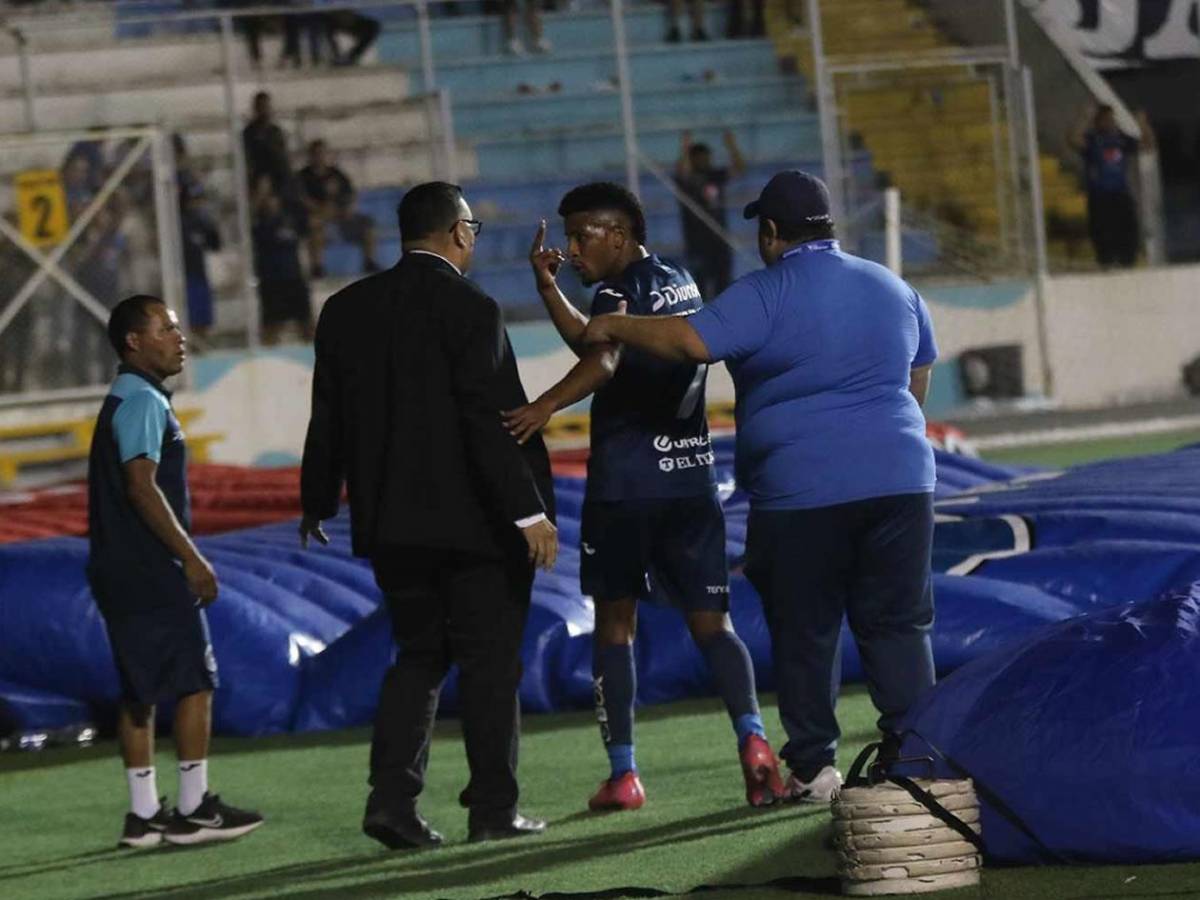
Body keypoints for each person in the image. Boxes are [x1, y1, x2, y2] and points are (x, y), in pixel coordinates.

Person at [582, 170, 939, 803]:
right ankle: (918, 756)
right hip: (903, 482)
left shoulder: (764, 292)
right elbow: (919, 374)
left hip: (801, 493)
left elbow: (690, 341)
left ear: (770, 232)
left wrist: (615, 324)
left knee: (806, 631)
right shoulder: (893, 286)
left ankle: (813, 768)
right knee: (899, 625)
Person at [503, 182, 785, 812]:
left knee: (615, 625)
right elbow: (600, 343)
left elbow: (601, 362)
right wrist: (549, 289)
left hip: (626, 487)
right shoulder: (678, 279)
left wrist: (544, 406)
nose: (573, 250)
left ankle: (624, 774)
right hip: (692, 480)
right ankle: (755, 741)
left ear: (619, 234)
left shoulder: (616, 291)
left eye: (583, 237)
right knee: (714, 624)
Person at [299, 181, 558, 849]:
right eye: (471, 228)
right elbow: (489, 421)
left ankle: (393, 800)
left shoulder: (346, 310)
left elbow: (328, 415)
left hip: (390, 526)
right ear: (459, 233)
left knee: (417, 656)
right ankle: (494, 809)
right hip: (475, 529)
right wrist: (527, 512)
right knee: (489, 665)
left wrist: (317, 498)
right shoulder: (472, 307)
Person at [87, 295, 263, 848]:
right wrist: (191, 557)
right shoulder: (142, 400)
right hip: (150, 566)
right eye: (165, 328)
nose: (179, 338)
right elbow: (142, 486)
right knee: (195, 682)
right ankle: (194, 808)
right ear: (133, 342)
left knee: (139, 691)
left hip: (116, 565)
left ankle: (143, 816)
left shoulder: (124, 396)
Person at [1067, 103, 1155, 268]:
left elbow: (1148, 146)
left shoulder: (1121, 139)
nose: (1109, 122)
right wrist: (1084, 117)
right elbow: (1073, 139)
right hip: (1099, 196)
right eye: (1105, 119)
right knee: (1102, 233)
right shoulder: (1092, 139)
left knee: (1128, 230)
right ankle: (1107, 262)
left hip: (1120, 193)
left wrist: (1143, 124)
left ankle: (1128, 260)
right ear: (1097, 121)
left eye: (1111, 118)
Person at [676, 130, 745, 300]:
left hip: (719, 240)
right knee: (698, 291)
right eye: (700, 158)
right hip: (697, 243)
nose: (705, 161)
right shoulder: (688, 180)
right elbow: (682, 172)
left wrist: (731, 145)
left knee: (723, 289)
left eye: (707, 157)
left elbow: (739, 169)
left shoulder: (715, 175)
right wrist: (685, 147)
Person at [298, 139, 379, 278]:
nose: (320, 157)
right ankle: (317, 267)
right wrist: (322, 209)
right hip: (318, 217)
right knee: (314, 227)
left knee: (367, 223)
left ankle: (369, 262)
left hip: (341, 216)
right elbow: (302, 199)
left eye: (323, 153)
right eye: (316, 153)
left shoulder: (336, 174)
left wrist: (348, 208)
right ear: (310, 156)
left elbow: (351, 194)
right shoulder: (303, 177)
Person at [252, 174, 313, 345]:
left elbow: (310, 225)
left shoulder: (291, 219)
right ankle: (267, 355)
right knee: (271, 325)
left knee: (306, 322)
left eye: (272, 197)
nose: (269, 202)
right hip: (270, 280)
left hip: (294, 276)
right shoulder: (257, 224)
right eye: (266, 198)